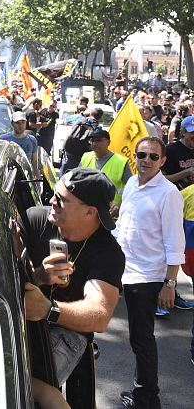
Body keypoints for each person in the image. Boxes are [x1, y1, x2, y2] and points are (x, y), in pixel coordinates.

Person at [24, 168, 124, 399]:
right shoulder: (34, 219)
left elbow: (99, 315)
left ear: (90, 212)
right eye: (53, 194)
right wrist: (38, 277)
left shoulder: (108, 253)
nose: (51, 201)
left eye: (61, 200)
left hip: (67, 330)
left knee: (26, 389)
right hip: (20, 318)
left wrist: (49, 310)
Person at [115, 137, 185, 408]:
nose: (146, 161)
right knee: (137, 339)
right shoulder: (132, 183)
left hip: (147, 277)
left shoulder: (168, 194)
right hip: (125, 271)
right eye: (141, 155)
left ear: (163, 161)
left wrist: (170, 283)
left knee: (142, 340)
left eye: (153, 157)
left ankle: (147, 399)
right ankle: (143, 391)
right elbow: (123, 227)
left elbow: (174, 243)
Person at [79, 128, 131, 214]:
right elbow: (78, 182)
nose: (95, 144)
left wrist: (119, 205)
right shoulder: (86, 157)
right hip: (88, 211)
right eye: (92, 140)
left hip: (110, 213)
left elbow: (131, 188)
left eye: (99, 140)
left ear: (108, 142)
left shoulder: (121, 162)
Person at [0, 111, 39, 176]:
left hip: (26, 178)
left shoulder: (32, 140)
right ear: (12, 124)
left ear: (26, 123)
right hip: (8, 179)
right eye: (17, 123)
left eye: (22, 122)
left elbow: (34, 163)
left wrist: (38, 183)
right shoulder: (4, 139)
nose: (20, 125)